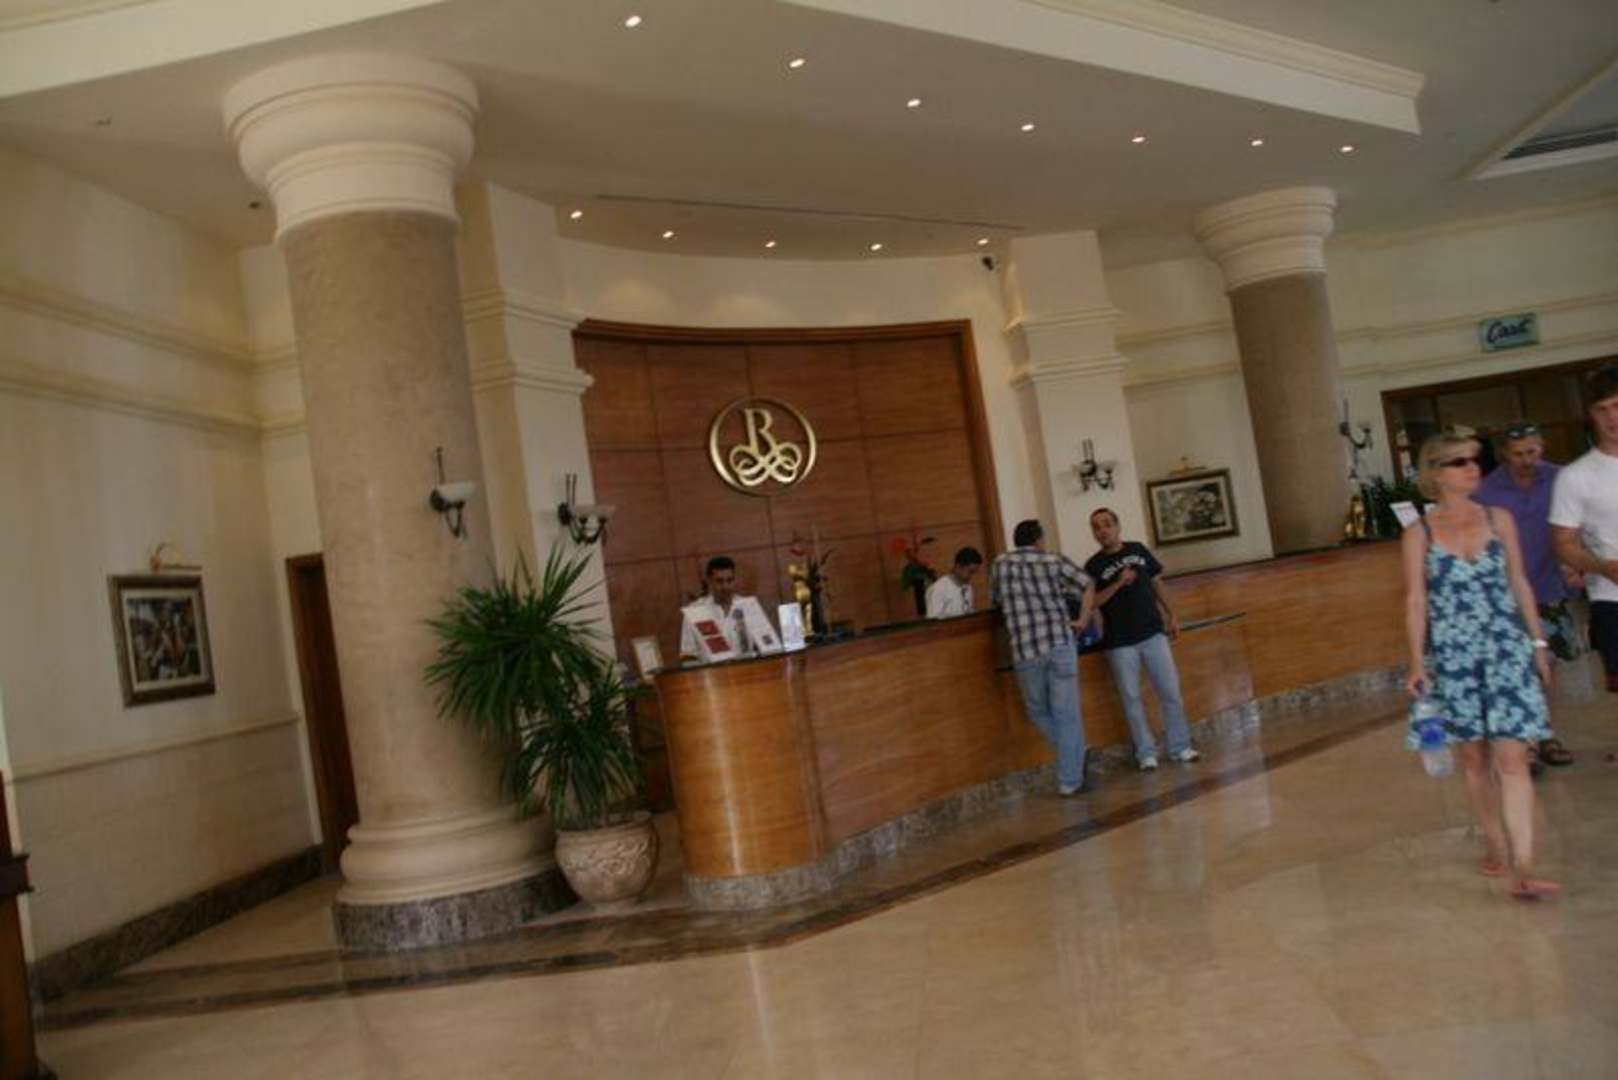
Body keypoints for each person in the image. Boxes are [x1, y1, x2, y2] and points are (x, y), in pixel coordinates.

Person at [1402, 433, 1559, 899]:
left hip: (1506, 649)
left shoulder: (1498, 519)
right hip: (1454, 656)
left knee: (1513, 759)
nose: (1472, 468)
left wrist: (1537, 642)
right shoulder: (1419, 533)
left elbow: (1519, 582)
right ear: (1435, 473)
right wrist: (1417, 661)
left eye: (1475, 460)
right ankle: (1494, 839)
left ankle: (1524, 864)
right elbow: (1415, 600)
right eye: (1458, 462)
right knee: (1475, 758)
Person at [1475, 421, 1578, 769]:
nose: (1526, 460)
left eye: (1532, 451)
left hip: (1550, 585)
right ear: (1504, 454)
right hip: (1505, 593)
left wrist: (1575, 563)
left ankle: (1548, 733)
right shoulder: (1486, 491)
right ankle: (1527, 742)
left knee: (1549, 663)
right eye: (1518, 454)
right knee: (1514, 667)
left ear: (1542, 447)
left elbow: (1576, 526)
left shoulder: (1561, 479)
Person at [1084, 508, 1200, 771]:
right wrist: (1117, 583)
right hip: (1119, 642)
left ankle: (1180, 746)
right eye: (1096, 527)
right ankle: (1146, 752)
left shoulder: (1138, 550)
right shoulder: (1093, 566)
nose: (1102, 530)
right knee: (1132, 699)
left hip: (1152, 633)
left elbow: (1158, 583)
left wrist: (1172, 615)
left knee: (1170, 692)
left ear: (1117, 526)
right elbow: (1093, 602)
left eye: (1107, 524)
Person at [991, 519, 1097, 796]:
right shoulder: (1053, 560)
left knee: (1037, 711)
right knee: (1067, 714)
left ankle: (1076, 755)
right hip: (1060, 643)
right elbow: (1088, 584)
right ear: (1039, 539)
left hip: (1025, 650)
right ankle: (1070, 779)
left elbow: (996, 600)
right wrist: (1083, 619)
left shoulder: (1000, 564)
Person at [1551, 364, 1618, 696]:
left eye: (1617, 405)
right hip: (1611, 599)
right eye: (1601, 409)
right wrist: (1602, 566)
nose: (1611, 417)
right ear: (1590, 414)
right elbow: (1564, 543)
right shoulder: (1575, 477)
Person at [679, 556, 780, 662]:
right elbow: (688, 656)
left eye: (729, 580)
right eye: (719, 581)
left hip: (746, 669)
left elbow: (770, 647)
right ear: (709, 581)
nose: (725, 586)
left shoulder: (749, 606)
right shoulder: (695, 611)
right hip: (711, 671)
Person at [925, 546, 984, 619]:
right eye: (970, 571)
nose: (972, 576)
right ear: (958, 566)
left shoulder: (968, 587)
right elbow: (934, 621)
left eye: (974, 572)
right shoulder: (938, 589)